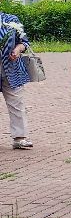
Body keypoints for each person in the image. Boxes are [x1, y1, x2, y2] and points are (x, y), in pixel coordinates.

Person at [1, 9, 35, 150]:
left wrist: (17, 49)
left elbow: (24, 42)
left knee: (17, 103)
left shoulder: (10, 19)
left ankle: (19, 138)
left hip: (11, 68)